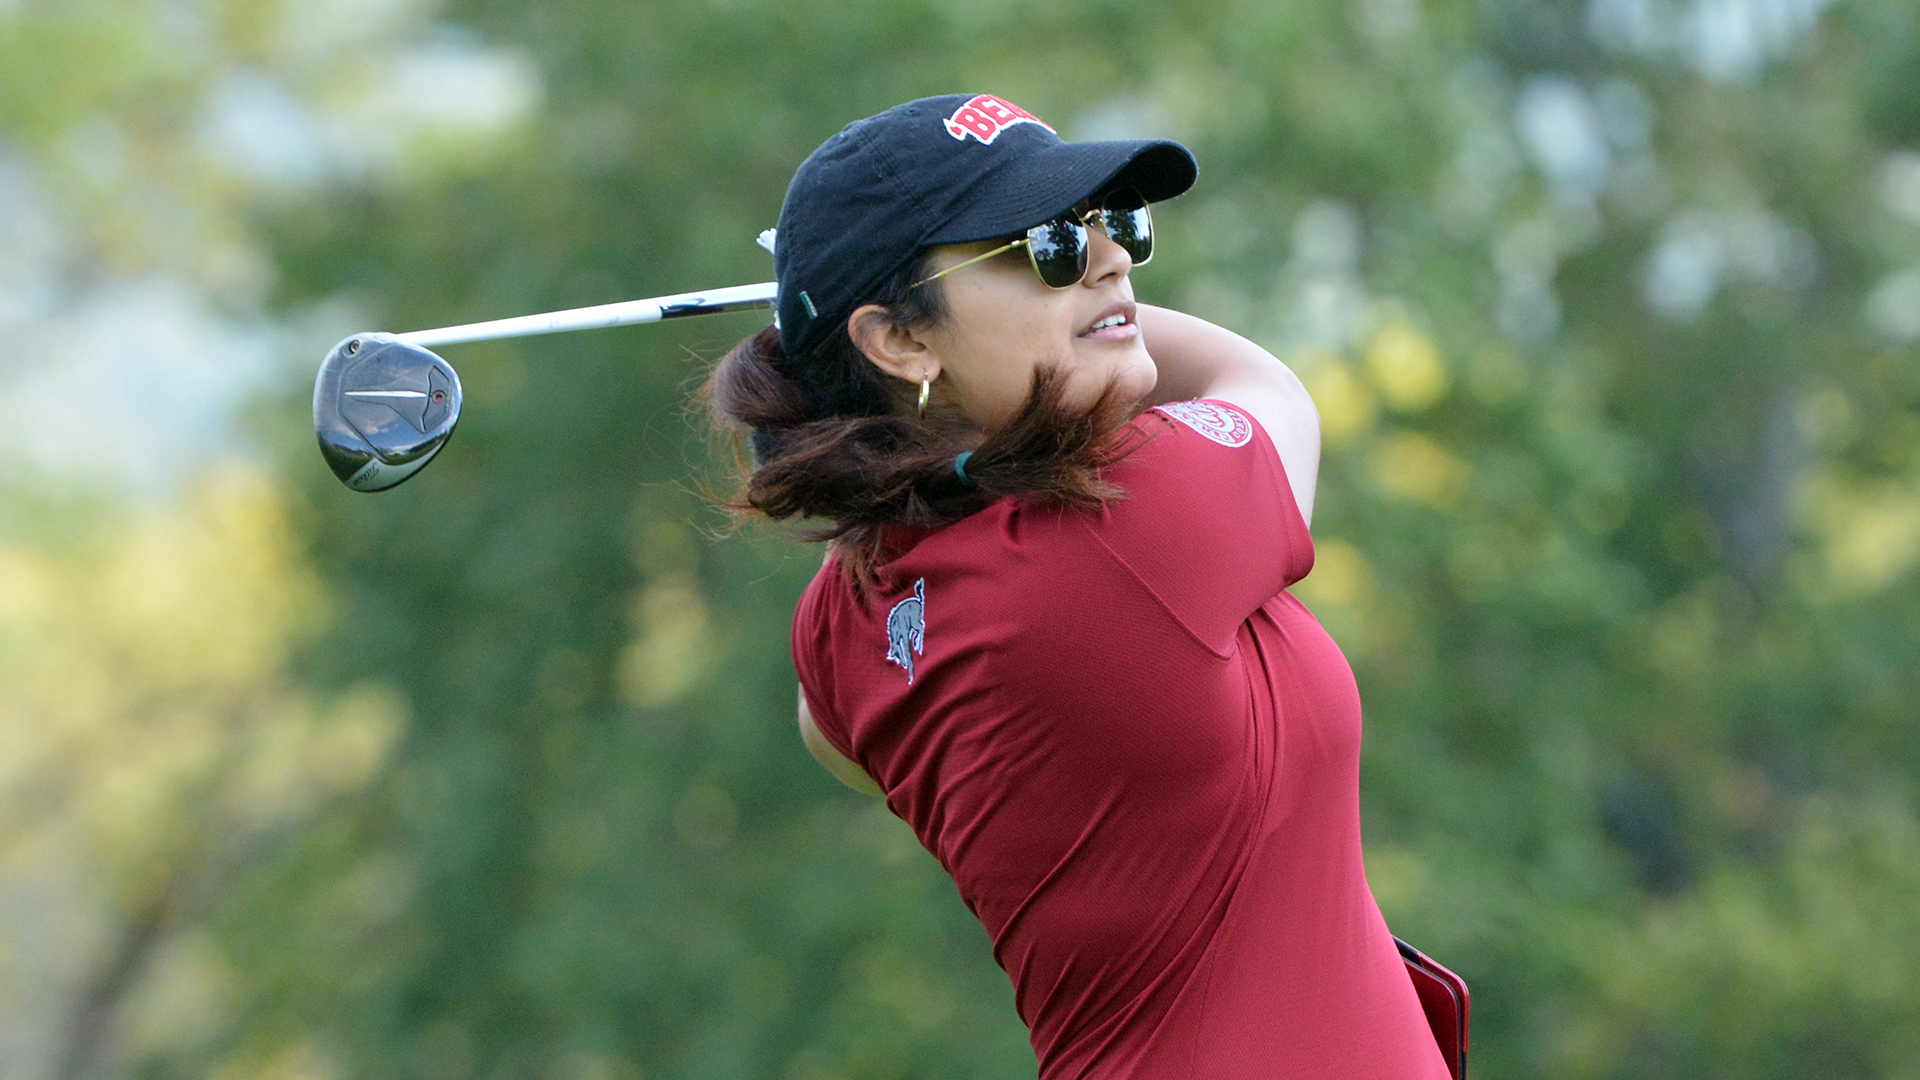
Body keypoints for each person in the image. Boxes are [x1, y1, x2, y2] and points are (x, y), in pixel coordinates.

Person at [708, 93, 1451, 1080]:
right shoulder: (1133, 516)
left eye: (1115, 226)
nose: (1115, 261)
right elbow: (1264, 384)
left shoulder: (844, 626)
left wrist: (849, 368)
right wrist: (1103, 328)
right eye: (1047, 245)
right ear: (900, 341)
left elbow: (838, 731)